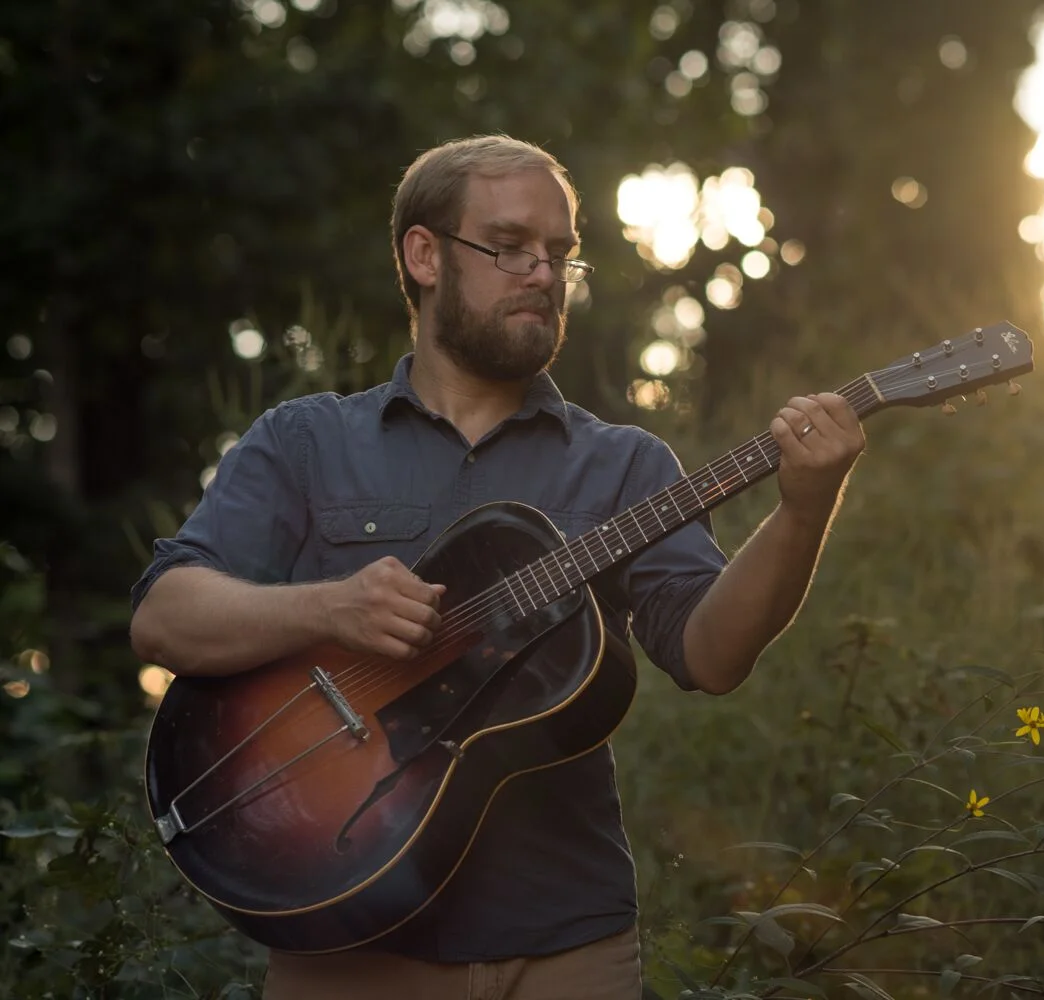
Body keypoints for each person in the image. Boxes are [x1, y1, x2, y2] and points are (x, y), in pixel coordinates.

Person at [128, 134, 865, 999]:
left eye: (560, 254)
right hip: (346, 946)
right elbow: (164, 618)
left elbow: (713, 655)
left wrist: (802, 509)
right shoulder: (306, 442)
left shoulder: (624, 465)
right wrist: (329, 610)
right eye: (509, 247)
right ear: (424, 255)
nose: (544, 275)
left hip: (566, 945)